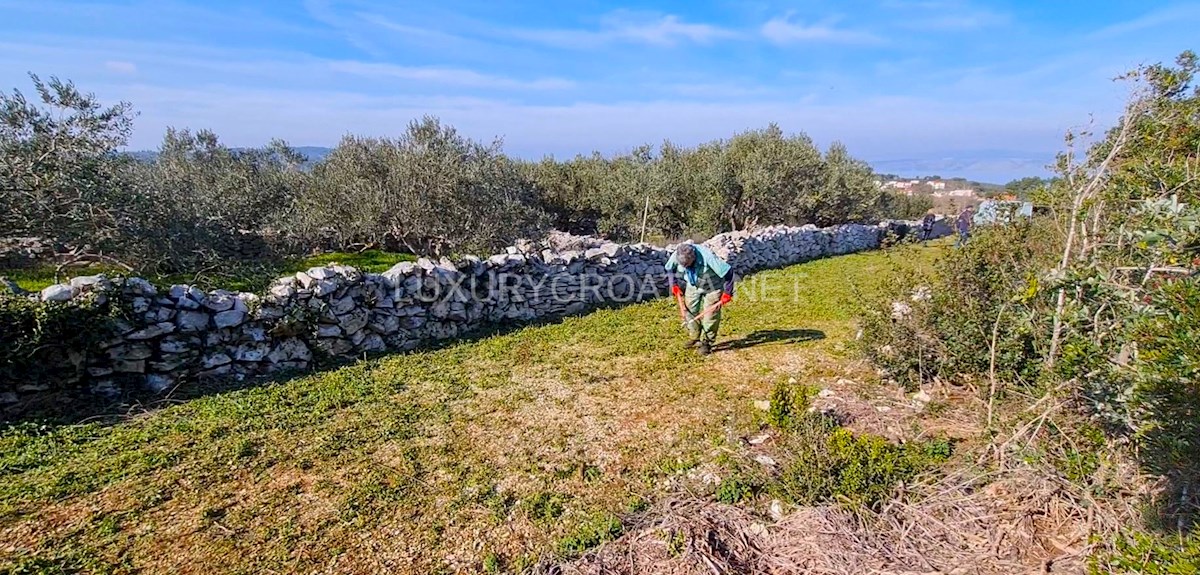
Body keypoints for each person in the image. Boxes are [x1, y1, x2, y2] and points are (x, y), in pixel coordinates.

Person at [665, 242, 735, 355]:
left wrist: (728, 292)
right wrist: (673, 285)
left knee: (710, 315)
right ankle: (694, 337)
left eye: (687, 265)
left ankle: (707, 342)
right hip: (693, 286)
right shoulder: (677, 255)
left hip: (713, 286)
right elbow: (669, 268)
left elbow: (729, 272)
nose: (685, 267)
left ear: (693, 258)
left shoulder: (708, 257)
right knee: (688, 311)